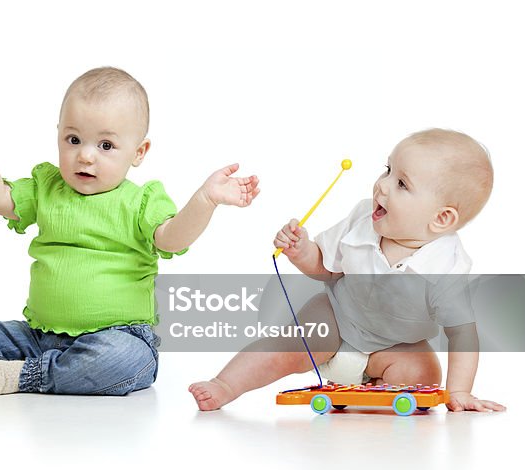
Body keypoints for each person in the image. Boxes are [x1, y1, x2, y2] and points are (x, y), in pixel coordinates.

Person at [0, 67, 259, 398]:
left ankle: (25, 376)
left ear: (138, 152)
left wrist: (205, 200)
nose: (85, 155)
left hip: (117, 335)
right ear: (58, 133)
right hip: (39, 334)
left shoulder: (140, 202)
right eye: (73, 139)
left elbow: (173, 237)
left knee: (127, 362)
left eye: (106, 145)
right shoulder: (48, 186)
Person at [189, 129, 504, 412]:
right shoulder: (362, 220)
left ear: (441, 219)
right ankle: (226, 384)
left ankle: (367, 395)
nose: (381, 185)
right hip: (335, 318)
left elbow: (462, 332)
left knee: (424, 374)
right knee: (285, 347)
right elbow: (324, 268)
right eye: (387, 170)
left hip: (394, 346)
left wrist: (460, 390)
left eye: (401, 183)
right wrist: (301, 251)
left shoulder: (445, 268)